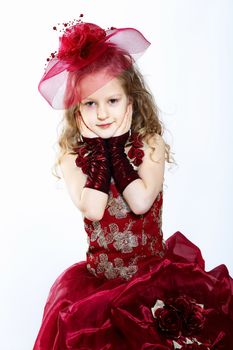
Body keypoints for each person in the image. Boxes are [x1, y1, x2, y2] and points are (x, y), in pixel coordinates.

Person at [33, 17, 233, 350]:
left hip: (153, 280)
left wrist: (116, 149)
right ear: (76, 110)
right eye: (90, 104)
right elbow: (94, 208)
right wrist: (102, 151)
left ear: (131, 101)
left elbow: (140, 201)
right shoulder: (72, 156)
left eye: (112, 101)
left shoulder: (149, 143)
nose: (102, 115)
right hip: (99, 285)